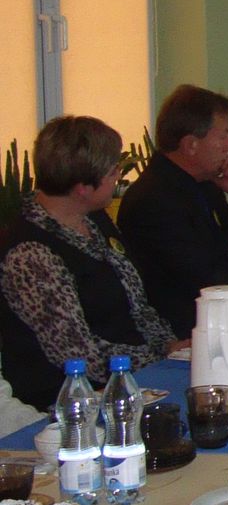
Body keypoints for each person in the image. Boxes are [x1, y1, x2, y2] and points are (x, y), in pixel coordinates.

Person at [0, 117, 187, 410]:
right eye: (113, 171)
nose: (118, 177)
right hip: (72, 402)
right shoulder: (30, 254)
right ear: (82, 188)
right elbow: (78, 355)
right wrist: (160, 358)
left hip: (135, 376)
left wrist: (169, 345)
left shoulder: (93, 219)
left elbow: (137, 305)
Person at [118, 85, 228, 336]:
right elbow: (212, 284)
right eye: (223, 136)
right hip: (188, 335)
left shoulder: (206, 184)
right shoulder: (154, 201)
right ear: (190, 145)